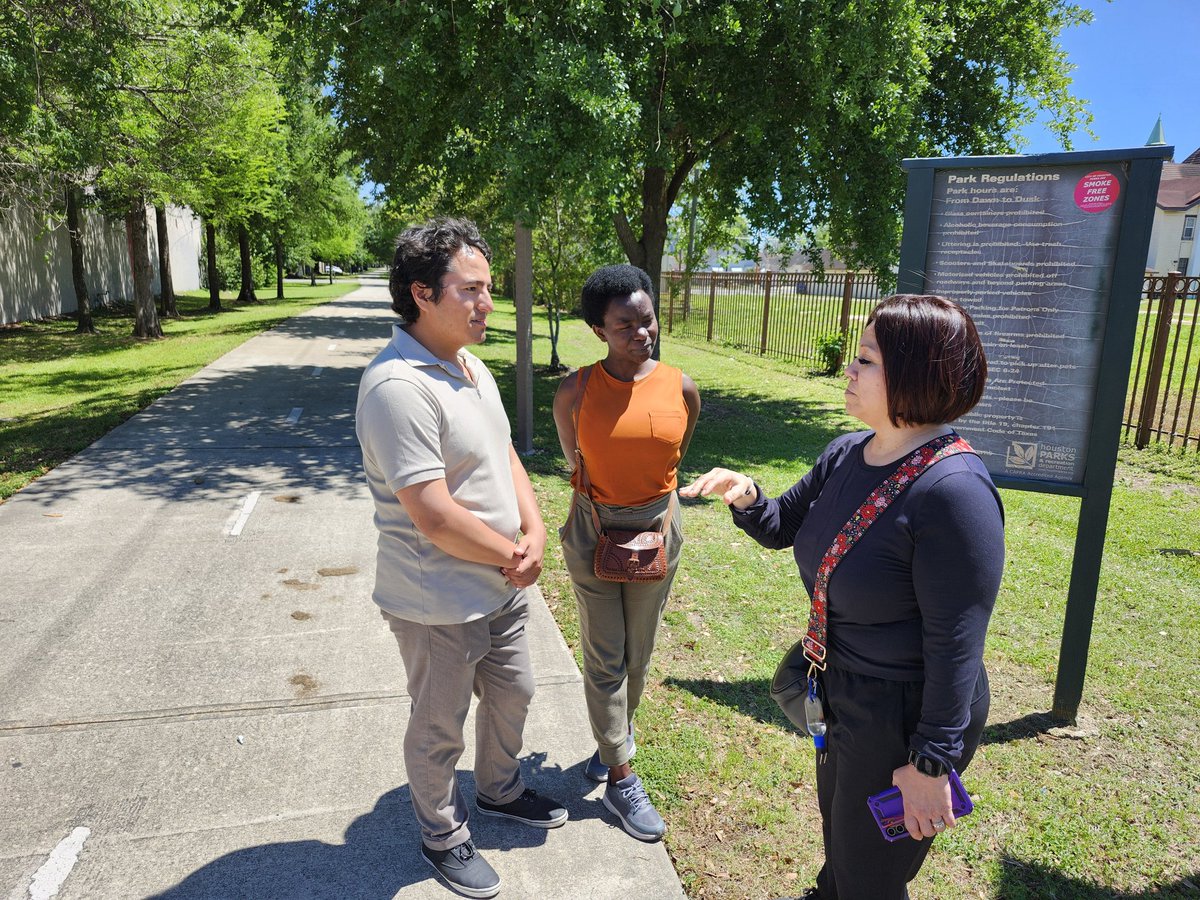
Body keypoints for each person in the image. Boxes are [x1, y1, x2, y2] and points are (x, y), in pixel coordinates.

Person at [681, 294, 1004, 899]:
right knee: (844, 837)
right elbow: (785, 526)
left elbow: (957, 644)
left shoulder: (954, 492)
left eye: (867, 360)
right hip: (839, 690)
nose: (849, 370)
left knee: (872, 875)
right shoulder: (846, 453)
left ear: (918, 373)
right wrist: (747, 494)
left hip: (903, 714)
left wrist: (932, 763)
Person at [355, 217, 566, 900]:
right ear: (422, 292)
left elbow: (504, 454)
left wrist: (532, 529)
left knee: (516, 694)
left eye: (490, 289)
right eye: (471, 290)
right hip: (436, 598)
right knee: (438, 725)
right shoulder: (397, 386)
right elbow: (433, 513)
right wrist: (514, 553)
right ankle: (443, 833)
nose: (488, 303)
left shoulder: (470, 366)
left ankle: (500, 790)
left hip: (500, 584)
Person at [551, 264, 701, 842]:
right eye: (625, 325)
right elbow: (575, 455)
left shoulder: (681, 386)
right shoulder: (576, 390)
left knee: (638, 652)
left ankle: (611, 741)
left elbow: (675, 453)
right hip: (593, 528)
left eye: (647, 320)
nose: (642, 333)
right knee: (606, 652)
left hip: (656, 530)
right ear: (598, 330)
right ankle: (620, 776)